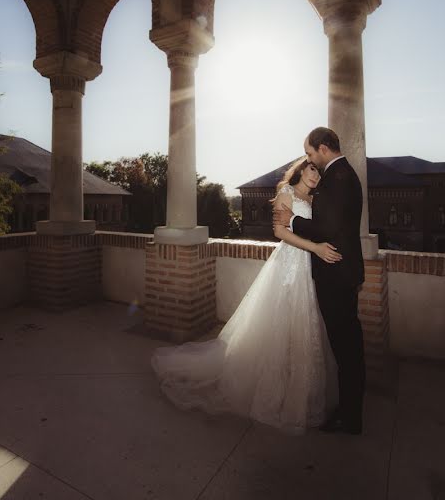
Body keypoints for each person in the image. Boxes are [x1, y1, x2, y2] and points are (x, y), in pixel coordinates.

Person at [151, 158, 341, 434]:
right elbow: (280, 233)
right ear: (302, 169)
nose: (316, 175)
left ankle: (298, 391)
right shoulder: (285, 192)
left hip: (309, 271)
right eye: (313, 169)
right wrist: (315, 247)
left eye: (320, 172)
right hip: (289, 266)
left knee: (304, 328)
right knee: (279, 326)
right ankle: (273, 392)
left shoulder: (314, 200)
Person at [273, 127, 366, 435]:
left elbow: (327, 227)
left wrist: (295, 221)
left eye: (311, 153)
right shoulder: (339, 177)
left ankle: (350, 416)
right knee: (346, 346)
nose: (310, 161)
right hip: (335, 272)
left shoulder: (338, 178)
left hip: (336, 275)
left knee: (346, 349)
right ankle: (349, 411)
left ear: (324, 148)